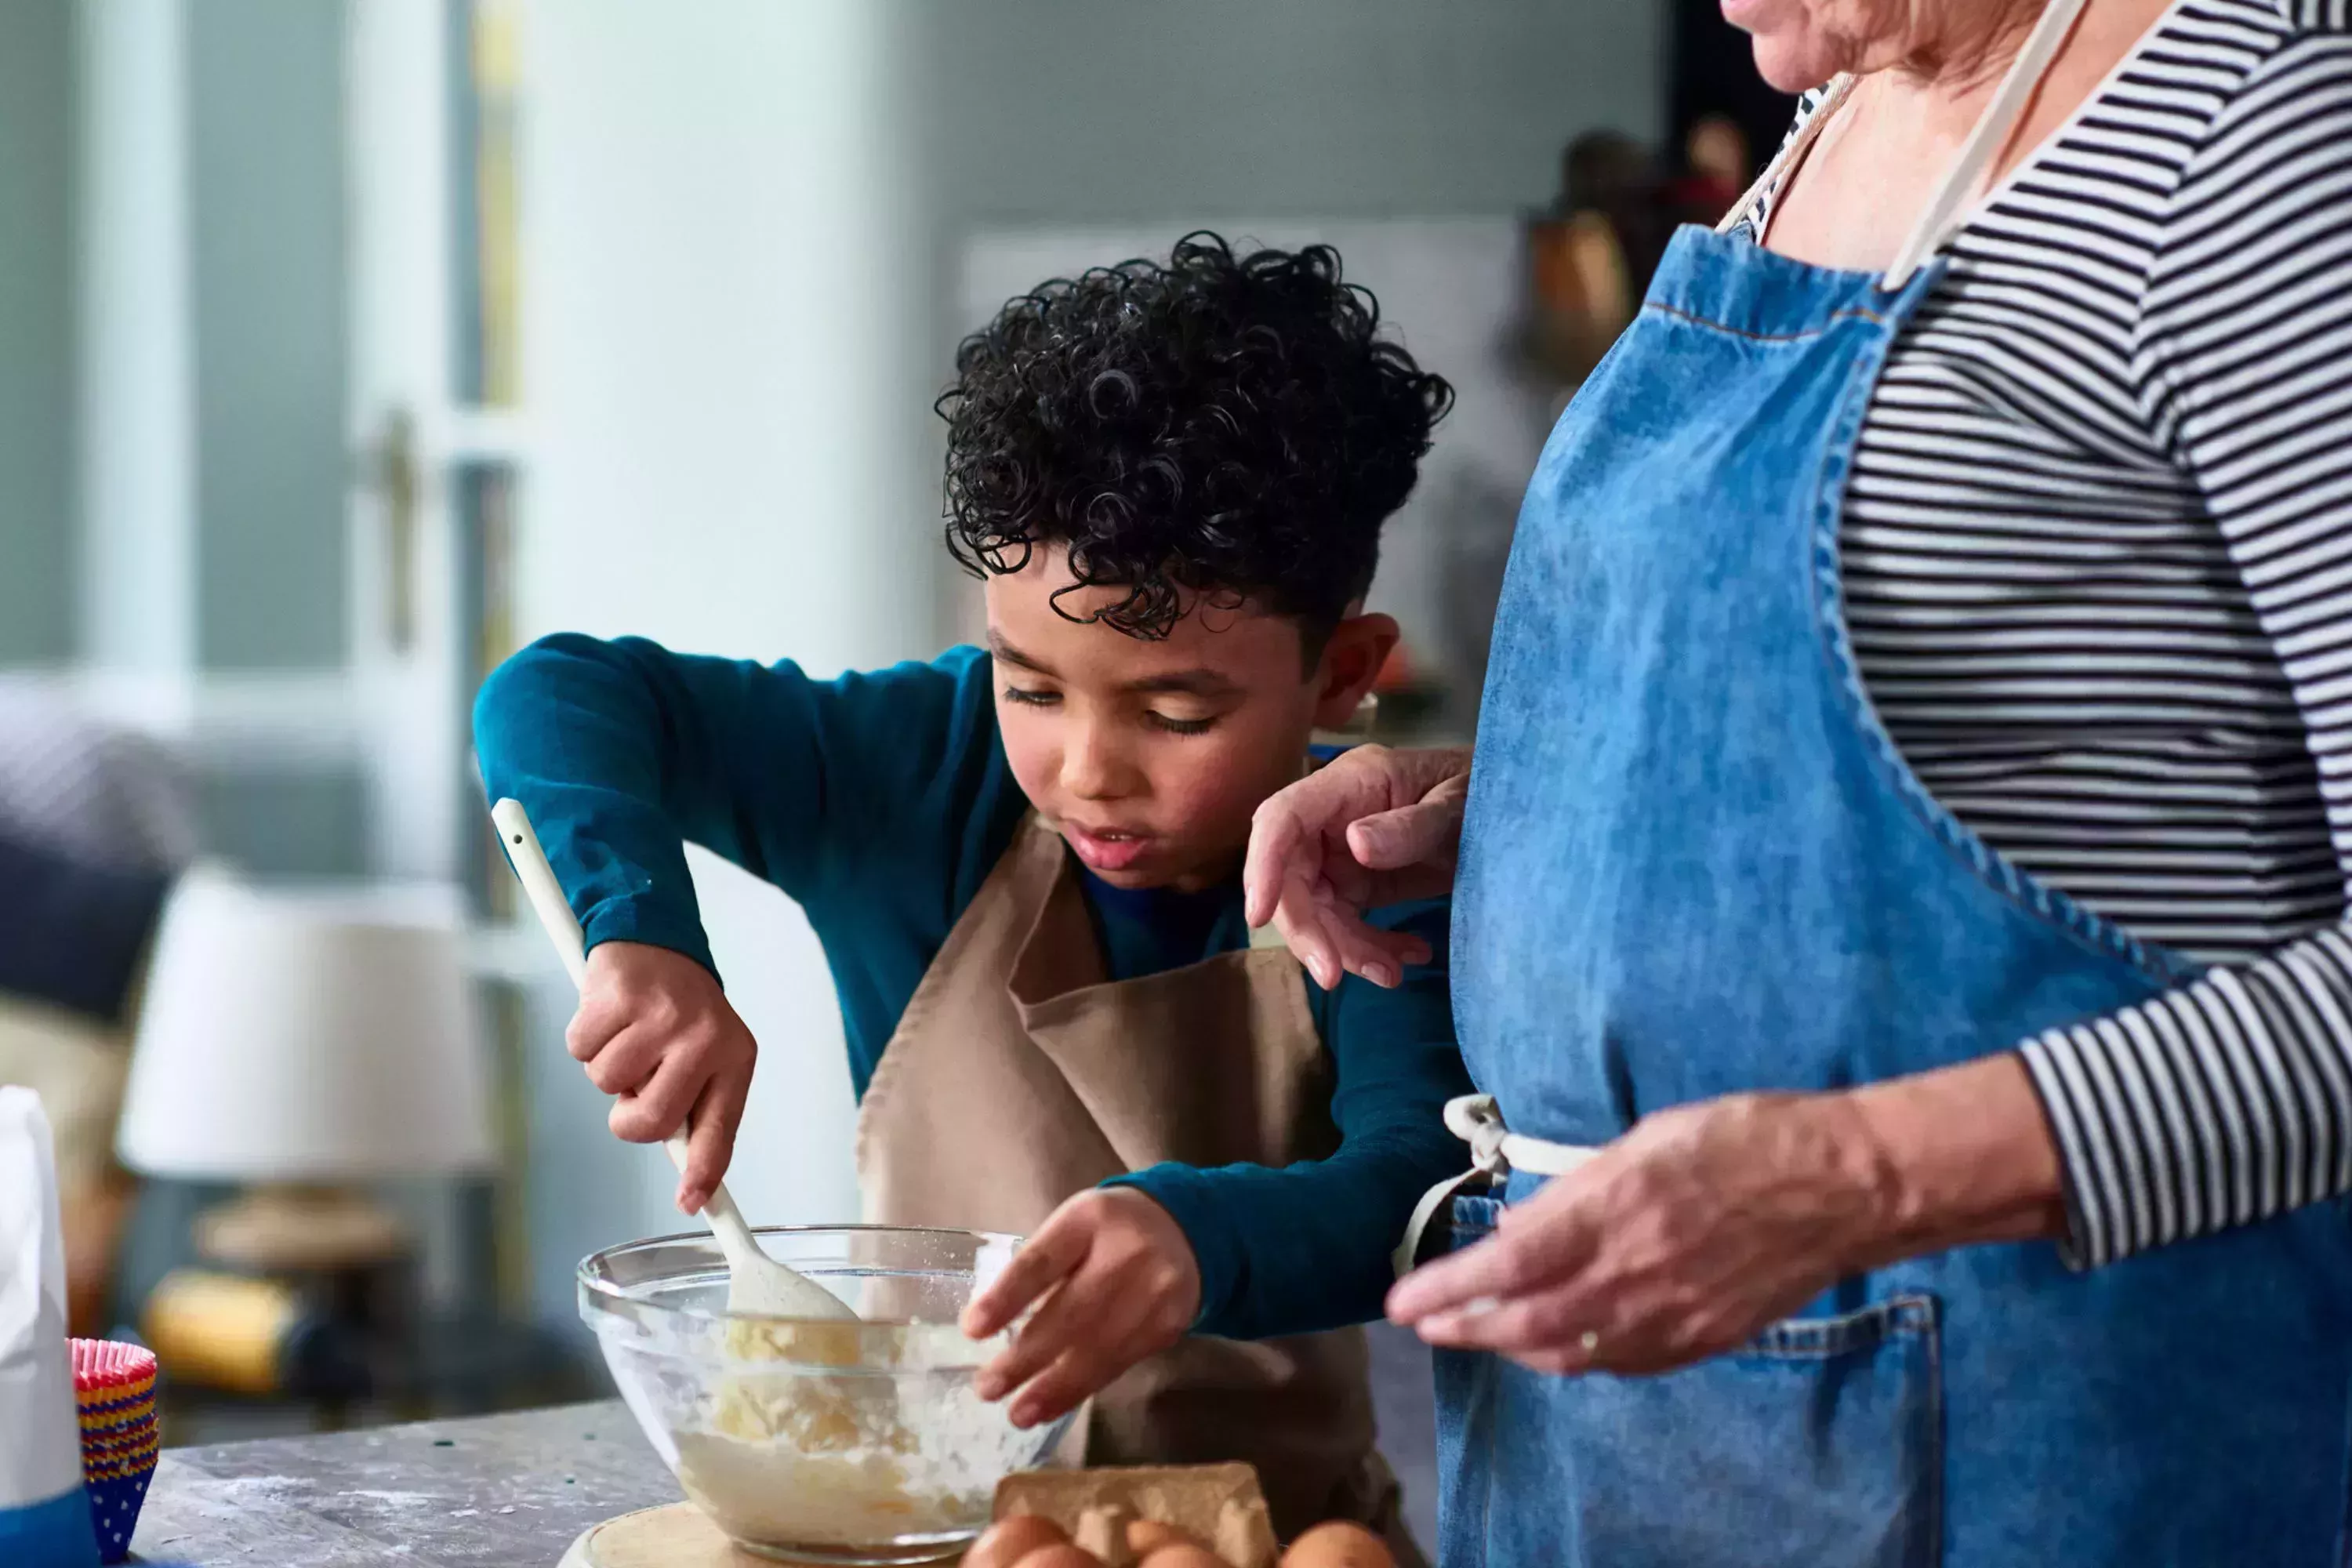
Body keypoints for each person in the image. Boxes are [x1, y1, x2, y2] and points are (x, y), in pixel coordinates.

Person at [1242, 1, 2352, 1563]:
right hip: (1614, 1445)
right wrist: (1525, 810)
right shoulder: (1845, 110)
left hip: (2045, 1436)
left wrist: (1853, 1173)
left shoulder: (2263, 131)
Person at [473, 234, 1466, 1550]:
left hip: (1270, 1534)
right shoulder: (920, 778)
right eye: (1033, 687)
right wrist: (642, 938)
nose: (1088, 772)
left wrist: (1193, 1235)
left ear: (1343, 672)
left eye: (1177, 711)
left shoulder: (1380, 863)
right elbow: (560, 692)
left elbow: (1421, 1186)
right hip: (919, 1524)